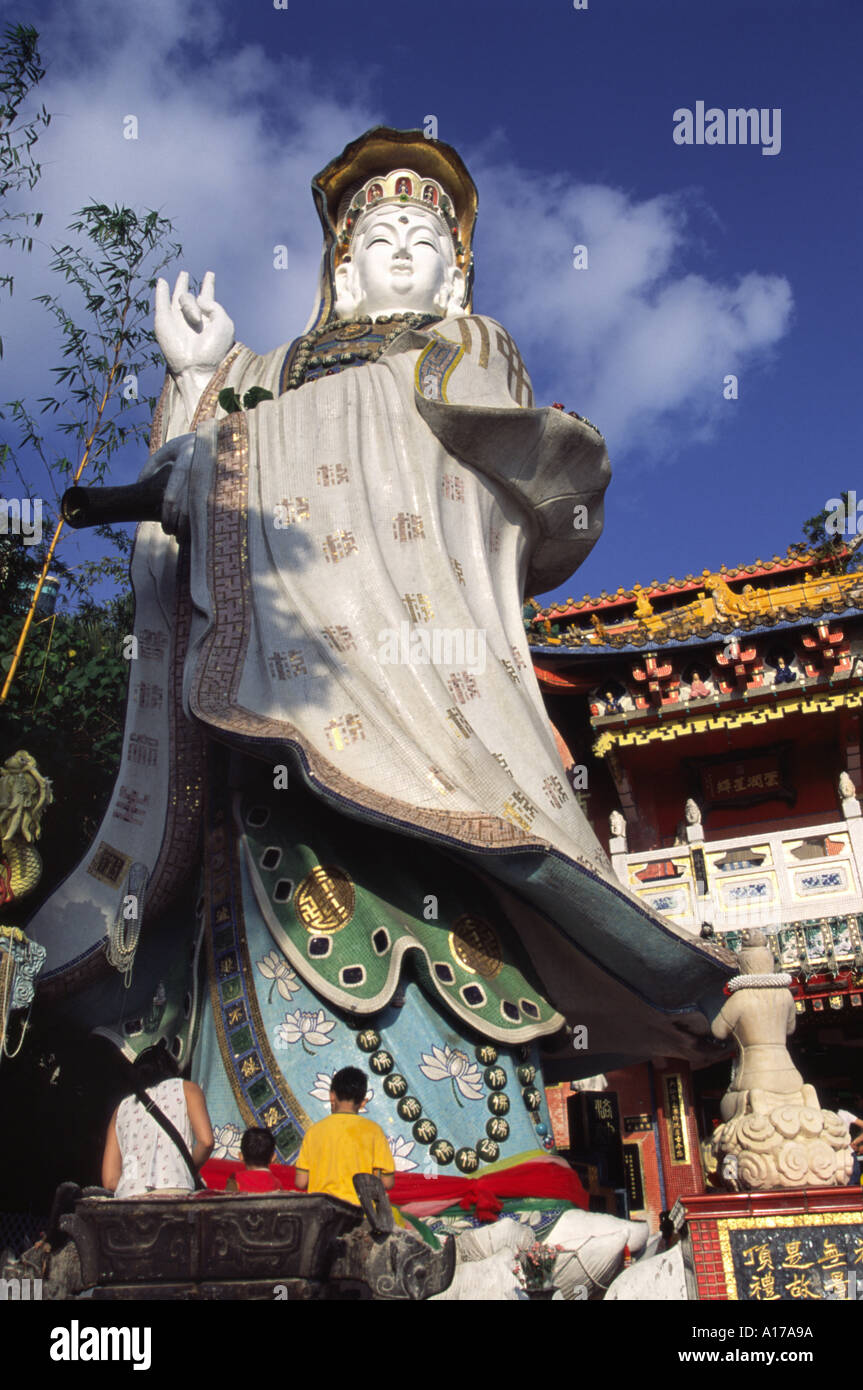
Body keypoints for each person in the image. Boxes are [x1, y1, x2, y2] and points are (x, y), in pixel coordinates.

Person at [33, 128, 732, 1188]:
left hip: (424, 703)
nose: (400, 250)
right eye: (378, 236)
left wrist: (247, 452)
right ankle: (249, 1172)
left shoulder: (463, 352)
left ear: (456, 269)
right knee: (276, 901)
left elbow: (463, 462)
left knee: (452, 906)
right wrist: (196, 379)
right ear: (339, 263)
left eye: (423, 237)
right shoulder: (264, 373)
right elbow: (190, 497)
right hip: (270, 723)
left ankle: (481, 1184)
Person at [101, 1044, 214, 1198]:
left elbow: (109, 1180)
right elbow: (206, 1142)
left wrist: (135, 1182)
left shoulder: (121, 1108)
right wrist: (185, 1169)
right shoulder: (187, 1089)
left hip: (128, 1197)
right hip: (174, 1191)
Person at [294, 1067, 393, 1206]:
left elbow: (301, 1182)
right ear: (363, 1102)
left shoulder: (314, 1132)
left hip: (322, 1214)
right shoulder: (374, 1131)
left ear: (332, 1096)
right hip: (361, 1215)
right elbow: (387, 1183)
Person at [226, 1127, 284, 1193]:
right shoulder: (276, 1184)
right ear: (273, 1157)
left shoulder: (235, 1179)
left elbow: (228, 1201)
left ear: (241, 1156)